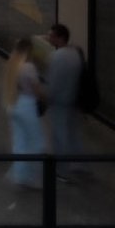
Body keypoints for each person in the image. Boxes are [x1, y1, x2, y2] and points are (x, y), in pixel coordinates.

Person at [44, 23, 85, 165]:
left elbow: (53, 84)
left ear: (60, 38)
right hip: (73, 100)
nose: (49, 38)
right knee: (73, 134)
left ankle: (62, 169)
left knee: (59, 136)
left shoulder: (56, 57)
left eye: (51, 36)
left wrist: (46, 99)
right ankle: (80, 164)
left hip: (59, 102)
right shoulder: (75, 54)